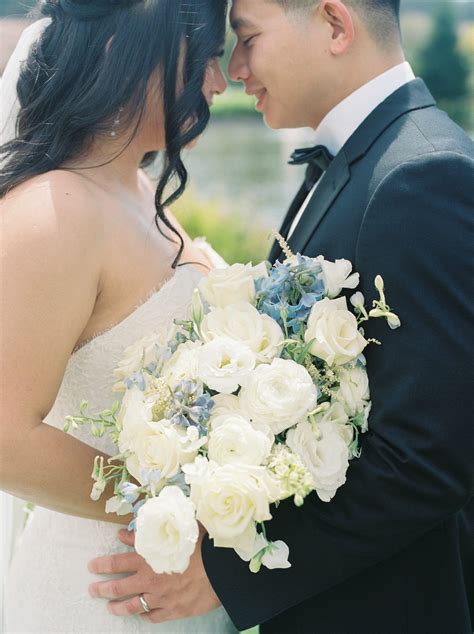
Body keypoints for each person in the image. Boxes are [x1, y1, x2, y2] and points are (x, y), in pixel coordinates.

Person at [87, 1, 474, 632]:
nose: (234, 68)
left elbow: (430, 458)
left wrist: (227, 574)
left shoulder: (422, 173)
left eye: (248, 38)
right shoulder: (354, 158)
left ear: (334, 24)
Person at [0, 1, 238, 632]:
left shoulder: (133, 190)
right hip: (94, 597)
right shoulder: (54, 212)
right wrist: (166, 506)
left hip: (167, 586)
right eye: (208, 59)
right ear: (129, 53)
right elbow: (3, 437)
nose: (218, 83)